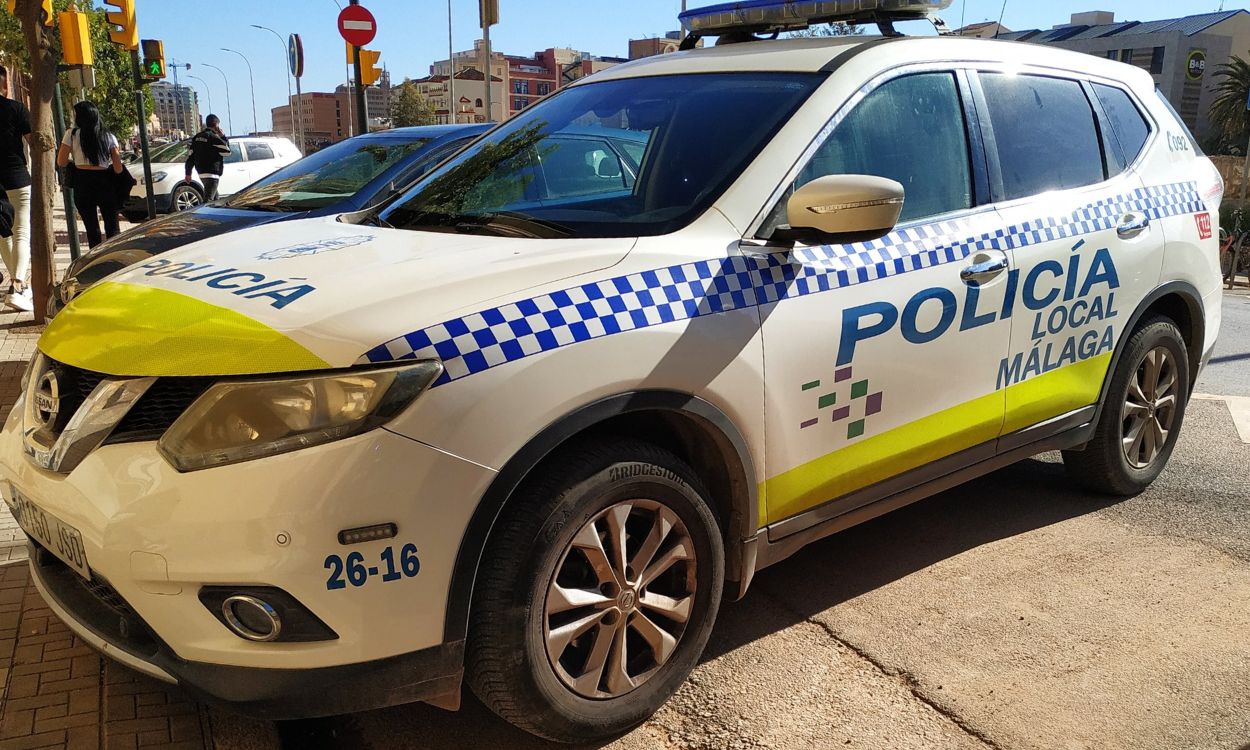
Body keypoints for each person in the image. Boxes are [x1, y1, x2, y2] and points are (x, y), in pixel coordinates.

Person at [56, 101, 124, 248]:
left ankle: (96, 262)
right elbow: (118, 168)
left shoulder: (71, 134)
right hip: (105, 181)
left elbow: (61, 161)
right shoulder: (108, 136)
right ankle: (115, 258)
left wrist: (76, 161)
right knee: (113, 228)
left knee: (92, 229)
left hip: (82, 181)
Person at [0, 64, 32, 312]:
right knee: (21, 230)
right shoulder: (16, 108)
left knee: (4, 234)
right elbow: (33, 140)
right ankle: (18, 284)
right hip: (17, 177)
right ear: (4, 84)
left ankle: (18, 286)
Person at [185, 115, 229, 201]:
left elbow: (191, 157)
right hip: (212, 173)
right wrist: (223, 137)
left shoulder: (196, 137)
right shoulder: (213, 137)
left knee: (216, 200)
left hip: (201, 173)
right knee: (208, 201)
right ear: (216, 125)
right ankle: (203, 214)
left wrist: (188, 173)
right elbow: (227, 151)